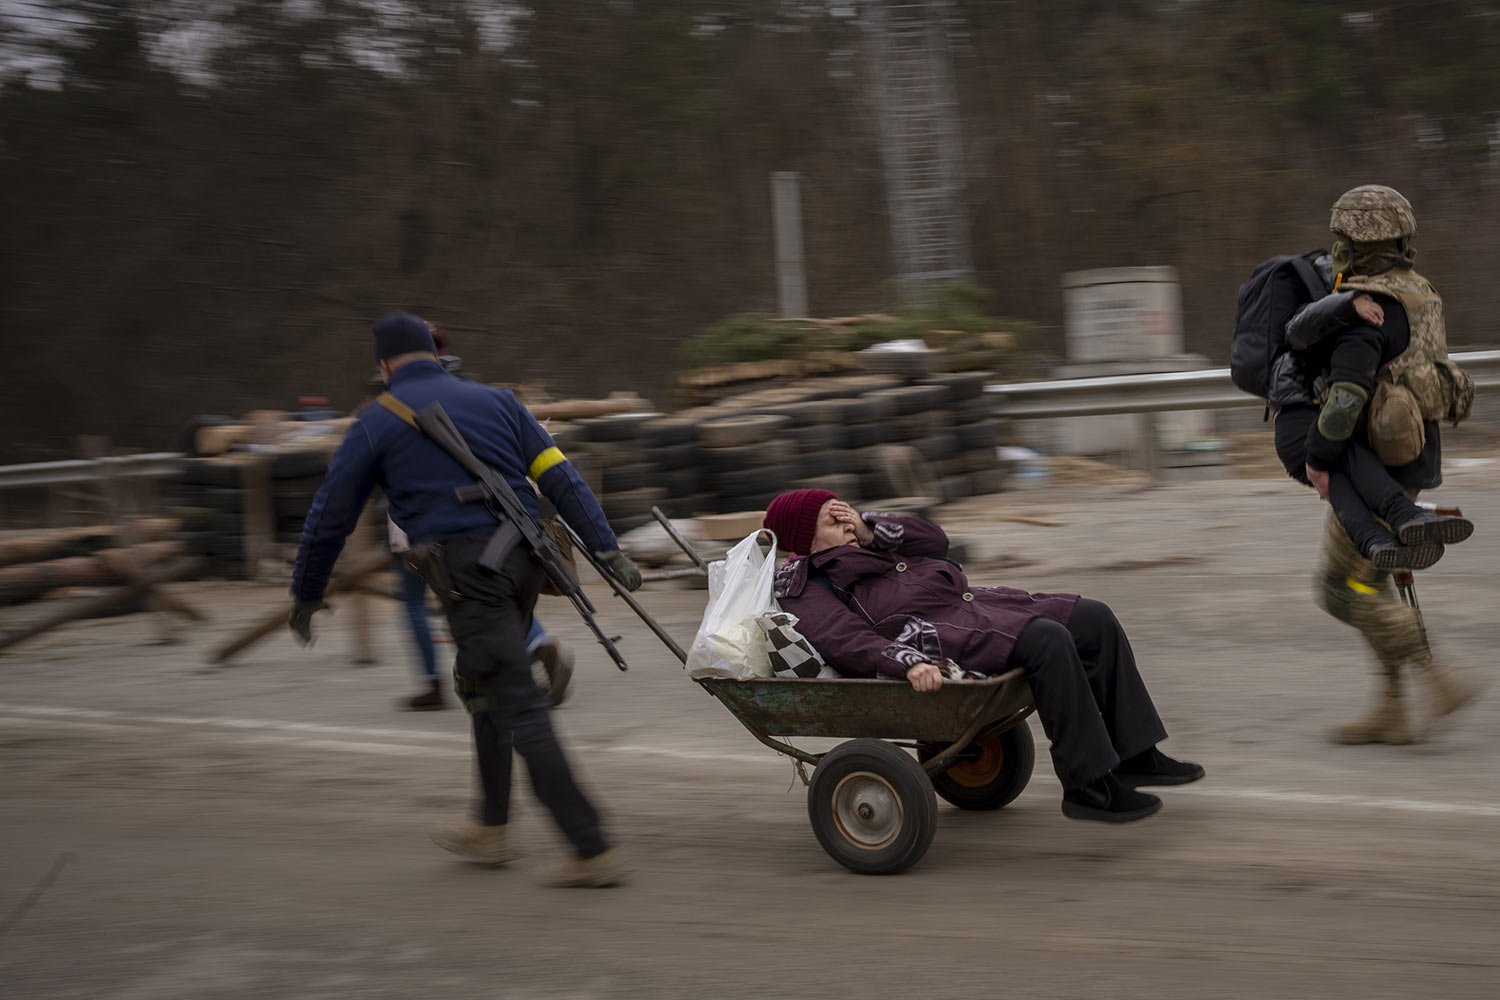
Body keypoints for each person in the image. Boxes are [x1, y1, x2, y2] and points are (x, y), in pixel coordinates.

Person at [290, 312, 641, 886]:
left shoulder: (376, 420)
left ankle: (591, 846)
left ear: (382, 365)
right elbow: (560, 476)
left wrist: (306, 590)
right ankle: (492, 828)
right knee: (483, 686)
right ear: (435, 352)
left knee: (519, 704)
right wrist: (606, 548)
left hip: (468, 575)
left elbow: (330, 515)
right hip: (528, 562)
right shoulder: (501, 400)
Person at [761, 488, 1204, 824]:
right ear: (804, 536)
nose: (844, 520)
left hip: (978, 606)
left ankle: (1134, 755)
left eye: (844, 510)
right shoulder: (806, 586)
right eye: (830, 518)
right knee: (1047, 639)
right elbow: (845, 640)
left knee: (1093, 617)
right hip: (931, 636)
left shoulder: (867, 542)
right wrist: (906, 662)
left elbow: (936, 539)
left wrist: (868, 527)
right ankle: (1087, 787)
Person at [1273, 185, 1476, 745]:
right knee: (1374, 577)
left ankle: (1437, 673)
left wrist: (1317, 458)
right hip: (1415, 457)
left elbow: (1347, 397)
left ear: (1353, 243)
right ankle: (1391, 707)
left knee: (1342, 588)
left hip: (1374, 472)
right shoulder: (1420, 292)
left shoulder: (1368, 306)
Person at [384, 323, 575, 713]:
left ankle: (438, 683)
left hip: (428, 518)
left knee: (419, 598)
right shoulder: (475, 391)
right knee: (490, 593)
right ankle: (535, 646)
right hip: (489, 514)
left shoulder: (402, 398)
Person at [1269, 280, 1471, 569]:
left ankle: (1382, 539)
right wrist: (1351, 303)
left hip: (1312, 424)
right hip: (1296, 427)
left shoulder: (1318, 332)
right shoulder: (1299, 334)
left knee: (1345, 472)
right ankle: (1399, 518)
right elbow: (1301, 327)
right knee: (1339, 456)